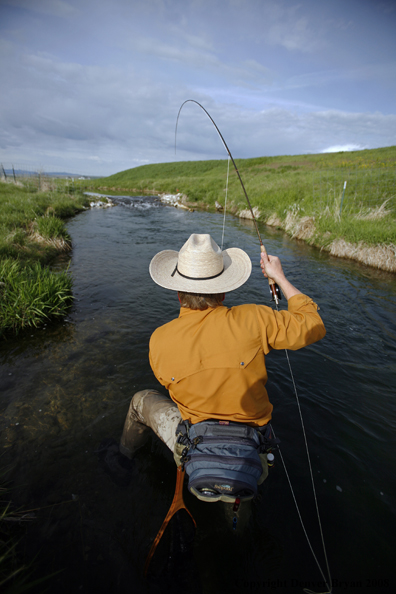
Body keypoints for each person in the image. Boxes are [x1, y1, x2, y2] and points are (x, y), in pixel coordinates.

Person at [117, 233, 326, 487]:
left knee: (140, 400)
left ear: (178, 294)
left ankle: (124, 461)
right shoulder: (255, 318)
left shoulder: (158, 340)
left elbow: (167, 384)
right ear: (223, 291)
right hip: (251, 453)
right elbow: (314, 325)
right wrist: (279, 277)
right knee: (242, 491)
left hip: (194, 448)